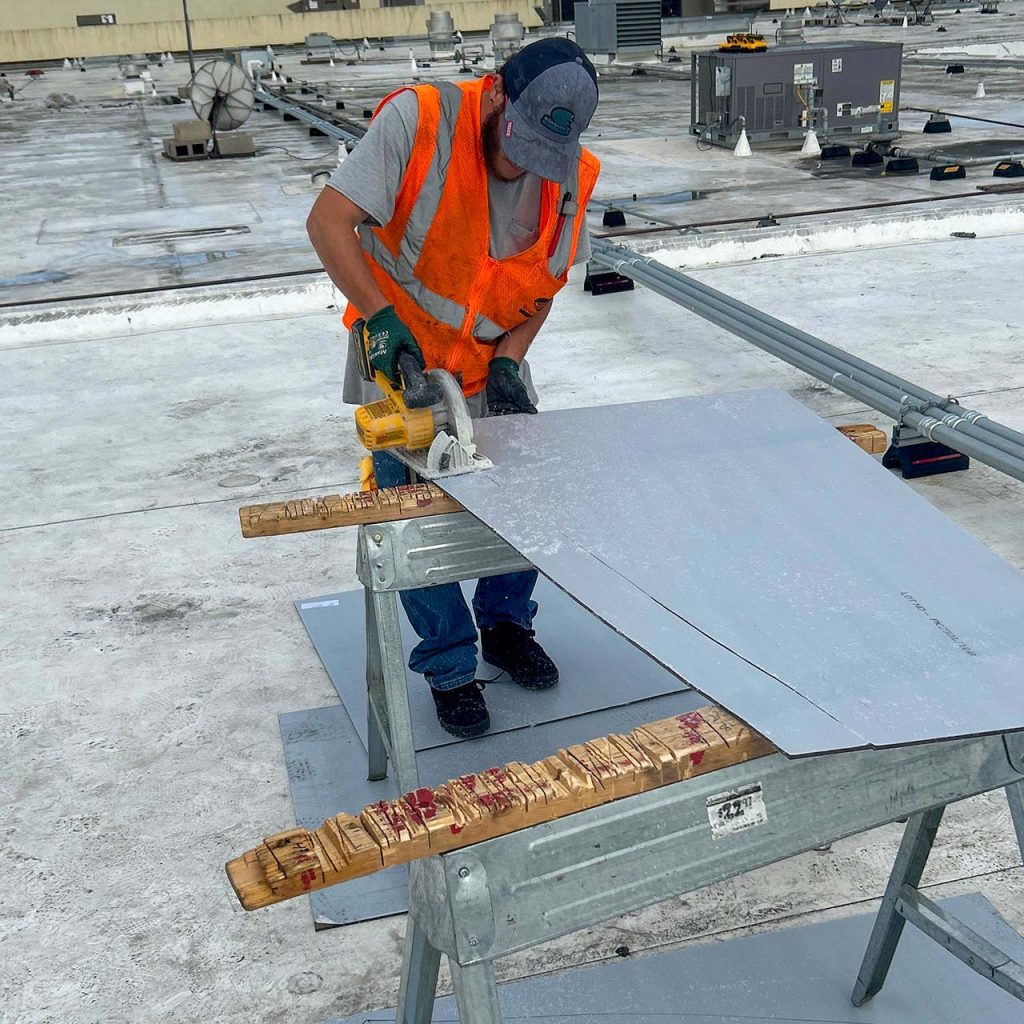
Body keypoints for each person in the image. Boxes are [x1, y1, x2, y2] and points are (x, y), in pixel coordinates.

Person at [306, 37, 601, 738]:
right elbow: (327, 223)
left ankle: (504, 626)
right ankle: (449, 666)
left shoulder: (572, 175)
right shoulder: (421, 121)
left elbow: (547, 283)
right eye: (517, 142)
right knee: (418, 520)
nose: (522, 165)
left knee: (525, 501)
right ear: (498, 91)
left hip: (493, 363)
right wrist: (379, 321)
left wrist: (511, 359)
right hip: (405, 362)